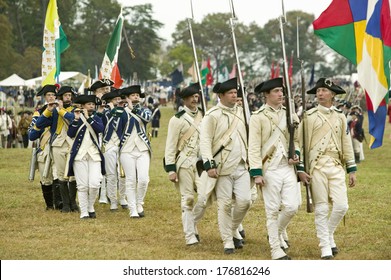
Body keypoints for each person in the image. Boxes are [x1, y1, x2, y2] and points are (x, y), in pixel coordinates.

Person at [298, 78, 357, 259]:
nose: (320, 93)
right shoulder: (309, 117)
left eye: (324, 90)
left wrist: (351, 168)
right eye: (318, 91)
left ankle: (328, 234)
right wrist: (301, 168)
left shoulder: (340, 116)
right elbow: (298, 143)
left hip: (336, 165)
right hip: (316, 167)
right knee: (322, 208)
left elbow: (346, 143)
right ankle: (325, 246)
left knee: (341, 206)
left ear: (332, 94)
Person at [248, 77, 301, 260]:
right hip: (269, 168)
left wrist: (297, 154)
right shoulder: (258, 117)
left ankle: (275, 232)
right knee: (271, 210)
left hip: (287, 166)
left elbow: (297, 141)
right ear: (267, 95)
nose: (281, 95)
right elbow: (253, 147)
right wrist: (256, 173)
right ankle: (275, 250)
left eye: (282, 91)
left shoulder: (290, 114)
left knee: (293, 206)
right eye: (277, 91)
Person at [199, 77, 251, 254]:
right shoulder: (212, 115)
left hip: (242, 164)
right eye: (230, 93)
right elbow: (205, 141)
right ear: (220, 95)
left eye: (235, 92)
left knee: (245, 201)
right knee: (225, 204)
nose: (234, 95)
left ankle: (232, 230)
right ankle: (228, 241)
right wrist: (209, 164)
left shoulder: (242, 113)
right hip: (222, 166)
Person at [164, 83, 206, 246]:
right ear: (185, 99)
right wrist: (171, 169)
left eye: (197, 97)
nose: (195, 100)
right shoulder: (177, 119)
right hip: (184, 163)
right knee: (188, 199)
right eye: (192, 97)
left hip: (201, 163)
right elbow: (170, 145)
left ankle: (191, 222)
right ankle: (190, 235)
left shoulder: (204, 116)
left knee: (204, 198)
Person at [35, 85, 78, 212]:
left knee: (73, 175)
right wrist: (48, 110)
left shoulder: (75, 109)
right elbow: (39, 124)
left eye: (70, 95)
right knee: (61, 175)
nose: (68, 98)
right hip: (58, 145)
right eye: (65, 96)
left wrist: (60, 110)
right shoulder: (53, 111)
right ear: (60, 97)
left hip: (71, 144)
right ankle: (65, 204)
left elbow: (73, 119)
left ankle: (73, 203)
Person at [116, 85, 152, 218]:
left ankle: (139, 202)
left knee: (143, 179)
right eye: (133, 95)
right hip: (126, 149)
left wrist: (133, 109)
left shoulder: (145, 110)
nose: (136, 97)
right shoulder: (120, 112)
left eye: (137, 95)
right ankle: (133, 209)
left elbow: (147, 119)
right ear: (127, 98)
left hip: (142, 148)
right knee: (130, 180)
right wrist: (122, 108)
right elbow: (116, 128)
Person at [67, 94, 105, 219]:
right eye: (89, 104)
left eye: (93, 104)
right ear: (82, 106)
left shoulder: (97, 118)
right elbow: (71, 134)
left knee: (94, 184)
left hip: (94, 155)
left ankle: (90, 206)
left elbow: (100, 129)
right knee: (82, 186)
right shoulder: (76, 118)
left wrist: (88, 118)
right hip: (79, 156)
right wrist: (77, 119)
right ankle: (84, 211)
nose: (92, 106)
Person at [28, 84, 58, 210]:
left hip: (58, 146)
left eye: (53, 95)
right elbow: (32, 134)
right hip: (44, 148)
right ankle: (50, 205)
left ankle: (61, 203)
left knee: (59, 176)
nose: (51, 97)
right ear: (45, 97)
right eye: (49, 95)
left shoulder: (61, 110)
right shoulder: (39, 112)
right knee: (46, 179)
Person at [100, 88, 128, 211]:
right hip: (108, 144)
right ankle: (113, 200)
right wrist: (112, 110)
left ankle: (122, 197)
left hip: (122, 144)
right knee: (111, 174)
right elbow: (103, 125)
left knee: (123, 174)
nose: (118, 101)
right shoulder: (105, 113)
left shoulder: (124, 112)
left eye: (119, 99)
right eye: (115, 99)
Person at [88, 78, 114, 204]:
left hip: (109, 140)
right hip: (94, 139)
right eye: (103, 90)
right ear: (95, 92)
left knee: (109, 168)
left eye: (107, 89)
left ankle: (106, 194)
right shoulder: (90, 105)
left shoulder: (111, 105)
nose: (106, 92)